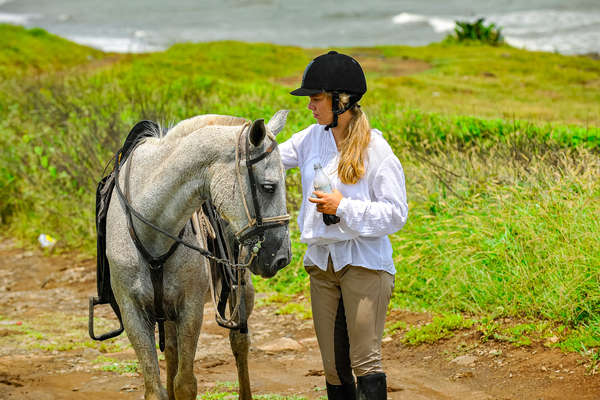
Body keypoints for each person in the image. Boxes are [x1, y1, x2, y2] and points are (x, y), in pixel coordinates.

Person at [278, 51, 408, 400]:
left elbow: (396, 214)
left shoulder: (376, 149)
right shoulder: (310, 139)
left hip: (364, 264)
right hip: (322, 265)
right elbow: (269, 157)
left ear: (342, 101)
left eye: (316, 99)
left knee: (365, 362)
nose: (310, 106)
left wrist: (344, 207)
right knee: (333, 369)